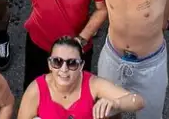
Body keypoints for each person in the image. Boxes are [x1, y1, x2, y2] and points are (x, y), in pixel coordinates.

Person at [16, 36, 145, 119]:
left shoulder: (93, 84)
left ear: (81, 66)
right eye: (57, 62)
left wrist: (116, 104)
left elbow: (138, 101)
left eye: (72, 63)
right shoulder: (36, 90)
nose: (64, 69)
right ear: (49, 64)